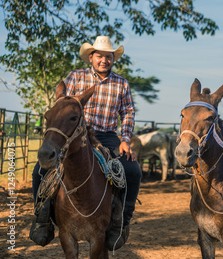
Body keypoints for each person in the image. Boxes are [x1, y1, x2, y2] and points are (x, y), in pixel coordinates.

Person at [30, 36, 142, 249]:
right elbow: (63, 105)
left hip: (108, 135)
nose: (104, 60)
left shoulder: (121, 83)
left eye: (108, 57)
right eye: (99, 56)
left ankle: (121, 222)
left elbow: (128, 112)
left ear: (113, 59)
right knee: (40, 170)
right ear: (91, 57)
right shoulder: (75, 77)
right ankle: (42, 219)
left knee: (133, 171)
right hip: (76, 133)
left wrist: (125, 139)